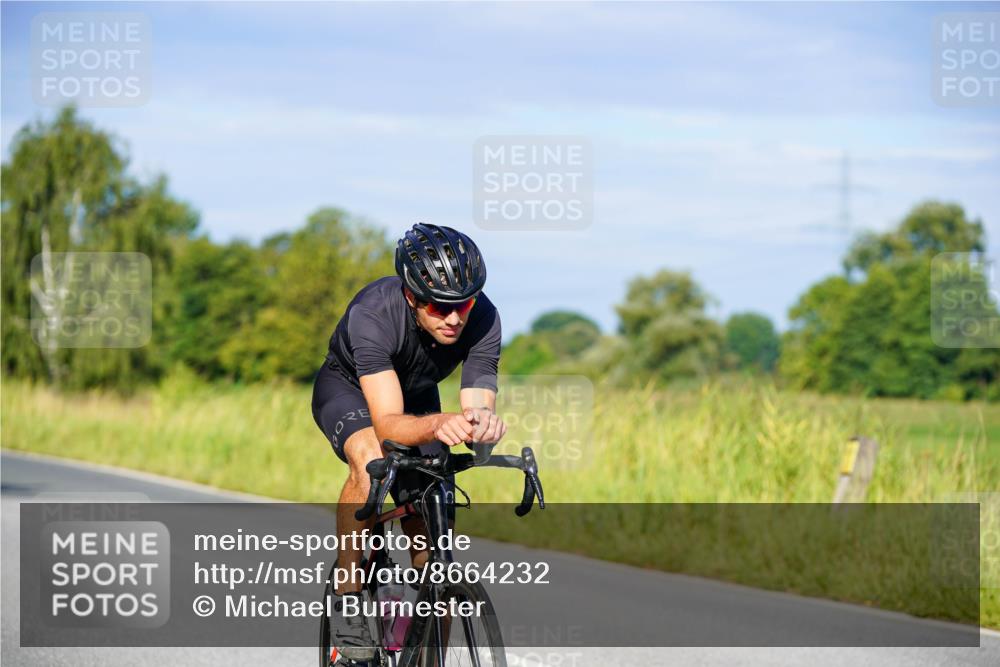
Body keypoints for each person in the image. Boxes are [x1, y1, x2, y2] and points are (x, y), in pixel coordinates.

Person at [312, 223, 507, 662]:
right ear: (411, 297)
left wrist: (482, 427)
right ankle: (348, 592)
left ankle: (426, 641)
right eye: (440, 307)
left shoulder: (484, 318)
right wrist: (440, 424)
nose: (455, 318)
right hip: (352, 391)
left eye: (465, 304)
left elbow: (476, 405)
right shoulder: (374, 313)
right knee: (369, 459)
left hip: (417, 395)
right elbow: (387, 425)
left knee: (433, 514)